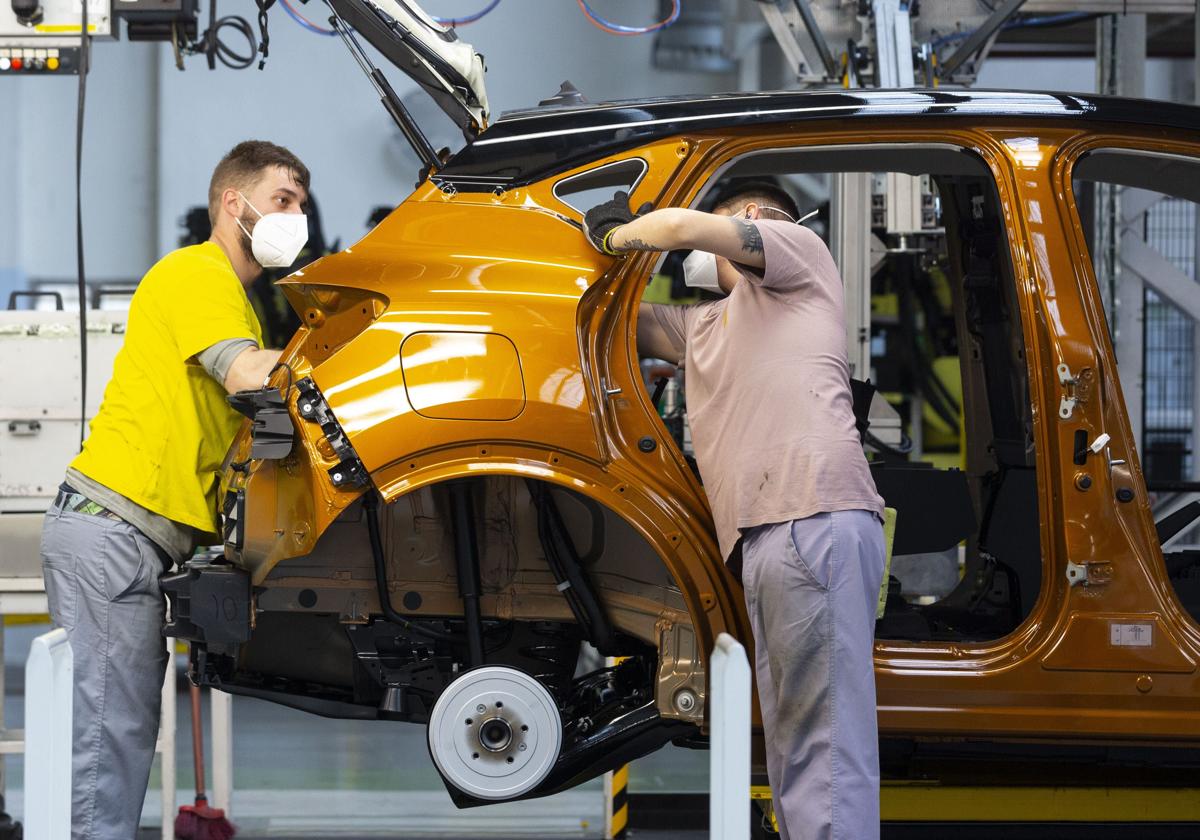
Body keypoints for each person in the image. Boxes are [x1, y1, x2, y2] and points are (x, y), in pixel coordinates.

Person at [584, 181, 887, 840]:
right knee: (793, 745)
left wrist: (621, 233)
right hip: (769, 538)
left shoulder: (799, 254)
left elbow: (681, 232)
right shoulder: (706, 325)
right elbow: (611, 319)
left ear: (751, 218)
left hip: (815, 515)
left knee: (825, 753)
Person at [40, 140, 310, 838]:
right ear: (234, 202)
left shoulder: (236, 298)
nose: (295, 218)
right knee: (109, 735)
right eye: (283, 200)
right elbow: (249, 375)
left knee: (121, 730)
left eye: (302, 206)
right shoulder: (198, 273)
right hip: (113, 526)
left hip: (134, 535)